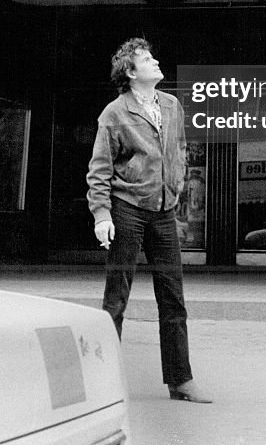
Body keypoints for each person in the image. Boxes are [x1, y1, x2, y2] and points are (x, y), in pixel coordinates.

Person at [86, 37, 212, 403]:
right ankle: (101, 380)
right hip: (127, 208)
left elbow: (181, 150)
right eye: (147, 59)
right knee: (117, 298)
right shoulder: (114, 113)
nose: (156, 62)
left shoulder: (172, 105)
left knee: (173, 297)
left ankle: (181, 381)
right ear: (130, 71)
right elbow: (100, 169)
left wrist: (176, 188)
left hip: (164, 211)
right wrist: (101, 214)